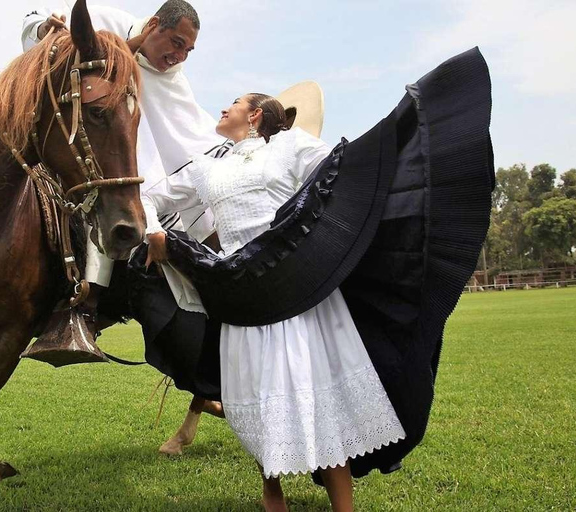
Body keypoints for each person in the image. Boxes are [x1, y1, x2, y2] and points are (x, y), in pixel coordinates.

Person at [141, 93, 408, 512]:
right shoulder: (207, 165)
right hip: (242, 296)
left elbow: (344, 169)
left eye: (233, 102)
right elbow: (149, 198)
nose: (222, 108)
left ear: (256, 115)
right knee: (260, 393)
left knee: (320, 394)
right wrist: (154, 234)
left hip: (295, 288)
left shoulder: (289, 145)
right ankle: (272, 489)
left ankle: (345, 508)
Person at [21, 1, 230, 330]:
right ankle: (82, 303)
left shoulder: (174, 81)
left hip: (138, 169)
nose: (180, 57)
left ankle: (93, 305)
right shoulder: (107, 22)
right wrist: (44, 29)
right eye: (176, 43)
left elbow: (187, 135)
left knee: (119, 193)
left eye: (188, 50)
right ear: (154, 24)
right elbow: (38, 20)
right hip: (92, 143)